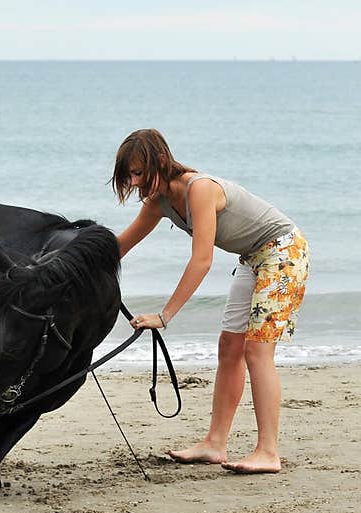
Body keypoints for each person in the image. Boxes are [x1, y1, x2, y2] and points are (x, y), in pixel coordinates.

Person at [110, 129, 310, 474]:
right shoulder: (157, 203)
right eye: (129, 175)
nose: (135, 181)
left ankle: (268, 452)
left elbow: (202, 260)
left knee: (256, 351)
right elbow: (119, 247)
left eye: (139, 172)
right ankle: (215, 444)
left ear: (160, 161)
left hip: (283, 251)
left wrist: (164, 315)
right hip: (252, 258)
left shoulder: (199, 189)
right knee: (228, 347)